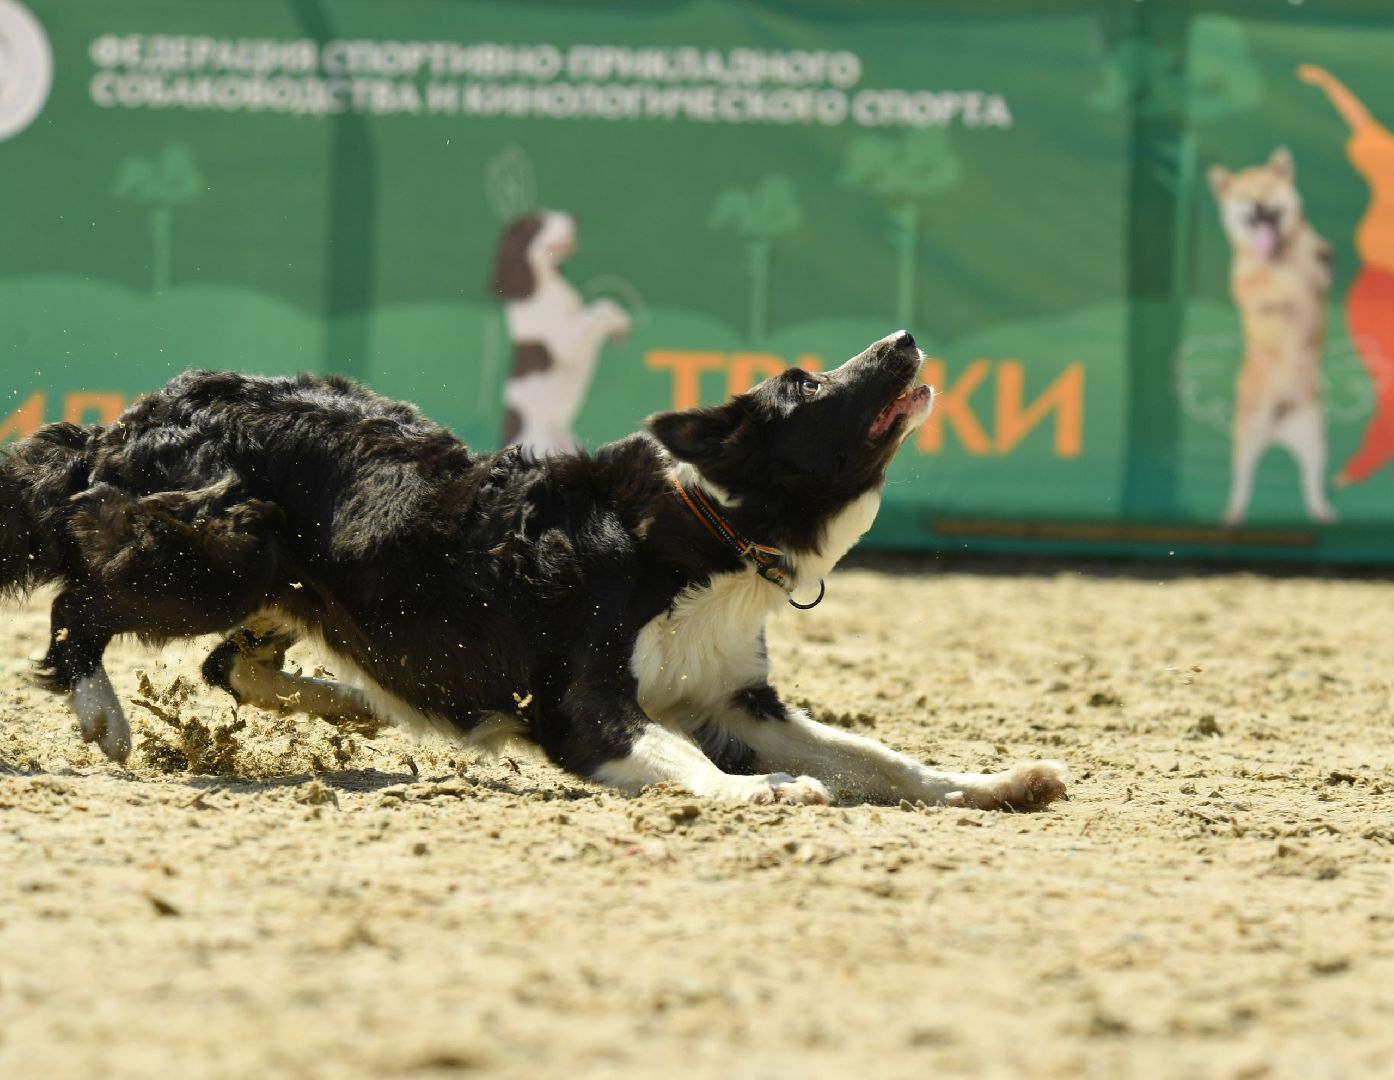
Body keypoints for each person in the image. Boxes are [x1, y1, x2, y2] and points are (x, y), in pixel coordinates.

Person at [1298, 63, 1394, 488]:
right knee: (1387, 381)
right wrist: (1329, 83)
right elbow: (1361, 124)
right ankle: (1371, 456)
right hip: (1376, 290)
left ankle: (1369, 458)